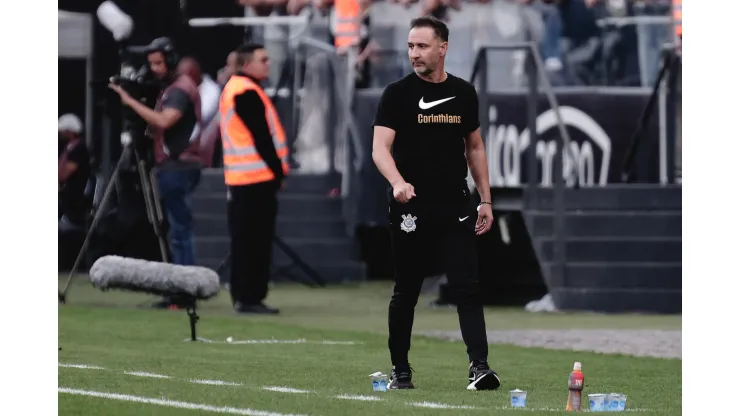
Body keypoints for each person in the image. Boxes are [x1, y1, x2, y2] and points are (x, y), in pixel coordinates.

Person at [371, 15, 500, 391]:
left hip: (455, 205)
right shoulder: (396, 94)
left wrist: (486, 199)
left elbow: (475, 147)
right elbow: (380, 148)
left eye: (422, 46)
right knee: (406, 289)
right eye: (410, 46)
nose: (414, 53)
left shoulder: (463, 93)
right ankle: (401, 370)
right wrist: (397, 182)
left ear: (442, 48)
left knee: (467, 287)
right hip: (410, 206)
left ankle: (480, 367)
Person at [108, 37, 203, 309]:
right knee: (176, 230)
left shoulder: (178, 90)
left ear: (171, 61)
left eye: (159, 63)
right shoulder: (173, 87)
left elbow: (164, 120)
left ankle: (184, 292)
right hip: (175, 165)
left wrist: (129, 100)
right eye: (151, 63)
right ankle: (180, 290)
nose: (155, 69)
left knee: (180, 232)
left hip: (178, 166)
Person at [219, 43, 290, 315]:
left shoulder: (238, 89)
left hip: (244, 178)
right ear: (247, 65)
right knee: (254, 242)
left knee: (245, 240)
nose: (268, 64)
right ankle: (250, 296)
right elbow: (262, 138)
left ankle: (244, 295)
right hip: (255, 178)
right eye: (263, 60)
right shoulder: (246, 91)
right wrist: (278, 171)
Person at [58, 114, 91, 230]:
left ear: (70, 131)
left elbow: (64, 173)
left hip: (73, 197)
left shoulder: (78, 149)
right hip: (65, 195)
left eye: (63, 130)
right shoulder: (69, 148)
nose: (60, 133)